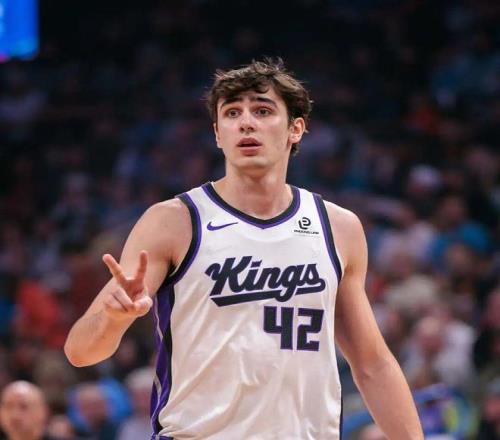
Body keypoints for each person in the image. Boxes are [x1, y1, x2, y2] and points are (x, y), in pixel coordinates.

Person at [65, 59, 423, 439]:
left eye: (263, 111)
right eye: (232, 113)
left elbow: (373, 365)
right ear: (218, 134)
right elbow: (80, 352)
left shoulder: (338, 227)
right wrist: (113, 318)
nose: (246, 123)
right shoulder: (174, 220)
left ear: (295, 129)